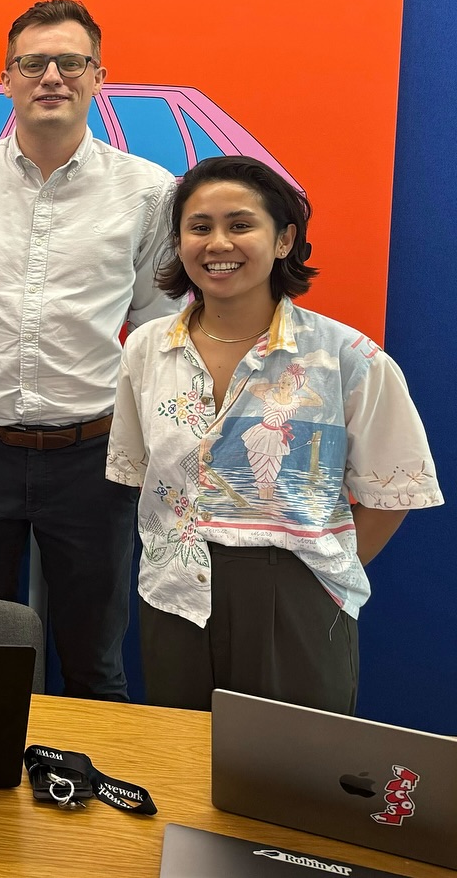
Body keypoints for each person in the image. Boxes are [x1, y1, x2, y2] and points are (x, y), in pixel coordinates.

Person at [107, 156, 443, 713]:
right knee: (181, 756)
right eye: (199, 227)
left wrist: (319, 578)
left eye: (240, 225)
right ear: (178, 243)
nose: (218, 243)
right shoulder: (145, 349)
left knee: (291, 761)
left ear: (284, 239)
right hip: (174, 593)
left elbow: (395, 490)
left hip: (298, 596)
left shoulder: (346, 357)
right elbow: (140, 471)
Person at [0, 0, 177, 701]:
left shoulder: (149, 191)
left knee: (95, 662)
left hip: (95, 458)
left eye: (70, 62)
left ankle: (95, 772)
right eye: (32, 63)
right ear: (7, 78)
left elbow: (158, 328)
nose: (51, 76)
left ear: (99, 77)